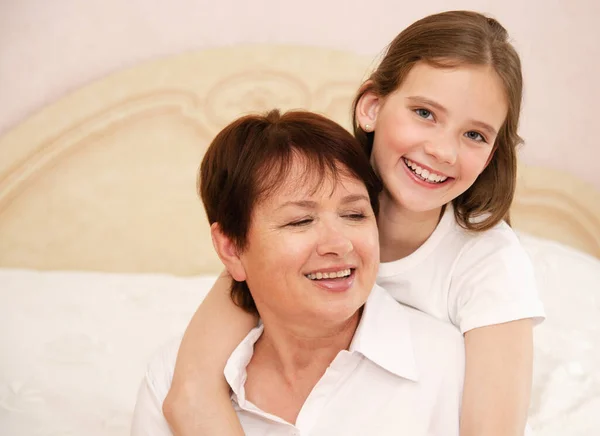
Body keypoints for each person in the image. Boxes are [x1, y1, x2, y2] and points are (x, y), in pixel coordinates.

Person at [164, 10, 545, 436]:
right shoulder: (305, 226)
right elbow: (191, 393)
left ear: (492, 153)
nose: (443, 151)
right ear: (371, 107)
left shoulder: (490, 264)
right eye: (424, 113)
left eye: (475, 135)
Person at [131, 110, 466, 435]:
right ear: (231, 248)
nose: (339, 244)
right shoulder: (171, 378)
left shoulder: (451, 367)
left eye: (354, 215)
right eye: (300, 221)